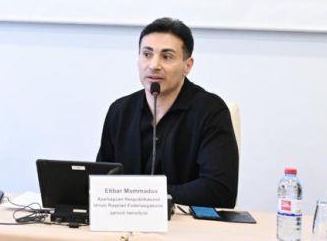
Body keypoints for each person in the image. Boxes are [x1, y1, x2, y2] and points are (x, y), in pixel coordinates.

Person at [96, 17, 238, 207]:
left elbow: (220, 191)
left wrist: (143, 196)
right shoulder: (120, 111)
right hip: (125, 219)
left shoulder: (211, 111)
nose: (154, 65)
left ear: (187, 65)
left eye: (167, 56)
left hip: (186, 222)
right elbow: (100, 181)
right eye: (147, 54)